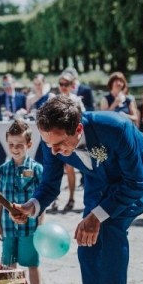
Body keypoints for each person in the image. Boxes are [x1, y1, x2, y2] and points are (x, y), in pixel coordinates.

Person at [10, 96, 143, 284]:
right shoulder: (52, 139)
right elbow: (50, 183)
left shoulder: (116, 127)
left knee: (110, 226)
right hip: (99, 181)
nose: (54, 152)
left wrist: (98, 215)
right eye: (48, 144)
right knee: (87, 243)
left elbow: (134, 184)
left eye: (60, 144)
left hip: (142, 177)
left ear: (78, 130)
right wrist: (32, 205)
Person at [0, 120, 43, 284]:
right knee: (9, 264)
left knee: (32, 263)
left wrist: (40, 224)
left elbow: (41, 199)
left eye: (20, 145)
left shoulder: (37, 169)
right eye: (11, 145)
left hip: (30, 226)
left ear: (29, 145)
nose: (15, 148)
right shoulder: (2, 169)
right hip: (7, 226)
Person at [55, 71, 85, 211]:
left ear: (71, 85)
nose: (63, 86)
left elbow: (82, 117)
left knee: (70, 169)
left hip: (70, 138)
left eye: (66, 84)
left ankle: (71, 197)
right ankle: (55, 198)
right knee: (55, 169)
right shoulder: (55, 99)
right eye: (61, 84)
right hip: (57, 137)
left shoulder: (76, 100)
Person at [0, 73, 27, 163]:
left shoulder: (22, 97)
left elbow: (27, 113)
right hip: (3, 132)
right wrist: (3, 115)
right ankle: (0, 177)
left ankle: (19, 177)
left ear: (14, 83)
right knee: (1, 159)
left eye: (8, 84)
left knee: (20, 158)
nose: (6, 87)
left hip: (19, 133)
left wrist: (23, 113)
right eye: (4, 84)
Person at [26, 74, 53, 164]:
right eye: (35, 84)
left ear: (44, 83)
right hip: (34, 130)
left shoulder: (50, 97)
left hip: (46, 131)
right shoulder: (30, 99)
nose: (37, 86)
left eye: (39, 84)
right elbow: (27, 115)